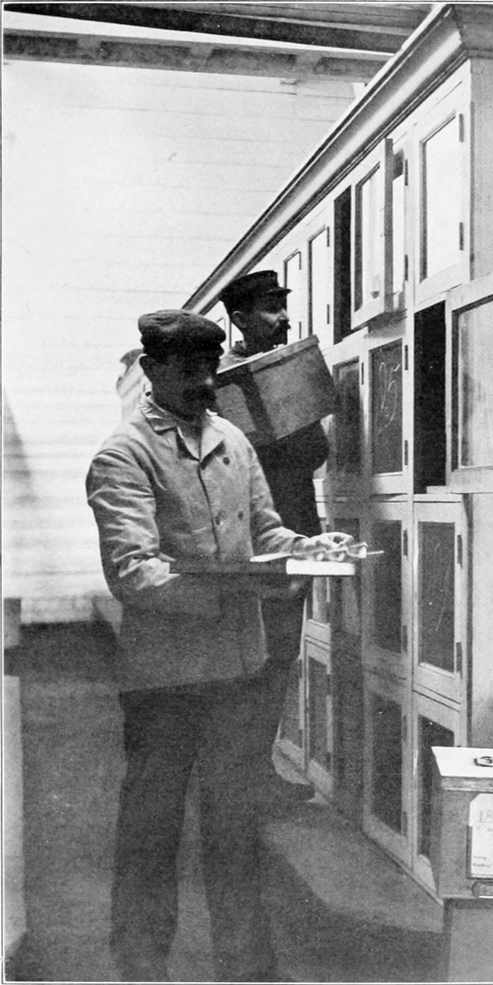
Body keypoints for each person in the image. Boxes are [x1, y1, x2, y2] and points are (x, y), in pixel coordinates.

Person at [86, 309, 352, 983]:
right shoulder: (124, 455)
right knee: (153, 826)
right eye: (188, 369)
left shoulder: (232, 438)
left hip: (238, 668)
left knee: (235, 823)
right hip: (166, 678)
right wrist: (238, 589)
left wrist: (307, 546)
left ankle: (247, 967)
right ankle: (141, 966)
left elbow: (265, 530)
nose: (205, 381)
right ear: (152, 369)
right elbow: (133, 572)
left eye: (209, 366)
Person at [218, 270, 330, 802]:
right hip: (252, 541)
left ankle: (253, 771)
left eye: (283, 305)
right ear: (240, 319)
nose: (284, 317)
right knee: (251, 659)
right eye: (270, 308)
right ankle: (237, 776)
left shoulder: (287, 372)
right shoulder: (220, 384)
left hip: (296, 532)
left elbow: (315, 452)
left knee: (280, 655)